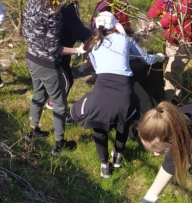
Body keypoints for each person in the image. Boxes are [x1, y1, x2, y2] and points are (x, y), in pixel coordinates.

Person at [70, 11, 165, 178]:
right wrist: (158, 57)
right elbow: (146, 59)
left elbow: (97, 68)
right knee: (124, 122)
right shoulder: (123, 39)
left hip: (101, 90)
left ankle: (104, 165)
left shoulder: (92, 44)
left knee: (99, 127)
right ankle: (118, 156)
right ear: (115, 25)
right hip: (124, 92)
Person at [22, 0, 83, 156]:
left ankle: (32, 132)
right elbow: (53, 48)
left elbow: (26, 30)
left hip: (31, 57)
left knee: (38, 95)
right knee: (59, 103)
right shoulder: (54, 11)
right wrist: (78, 50)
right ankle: (59, 143)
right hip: (47, 63)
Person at [47, 0, 91, 118]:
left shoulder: (71, 4)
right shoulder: (66, 7)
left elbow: (75, 28)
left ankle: (52, 103)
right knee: (66, 82)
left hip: (64, 49)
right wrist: (93, 38)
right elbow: (77, 28)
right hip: (58, 50)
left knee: (62, 80)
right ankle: (58, 111)